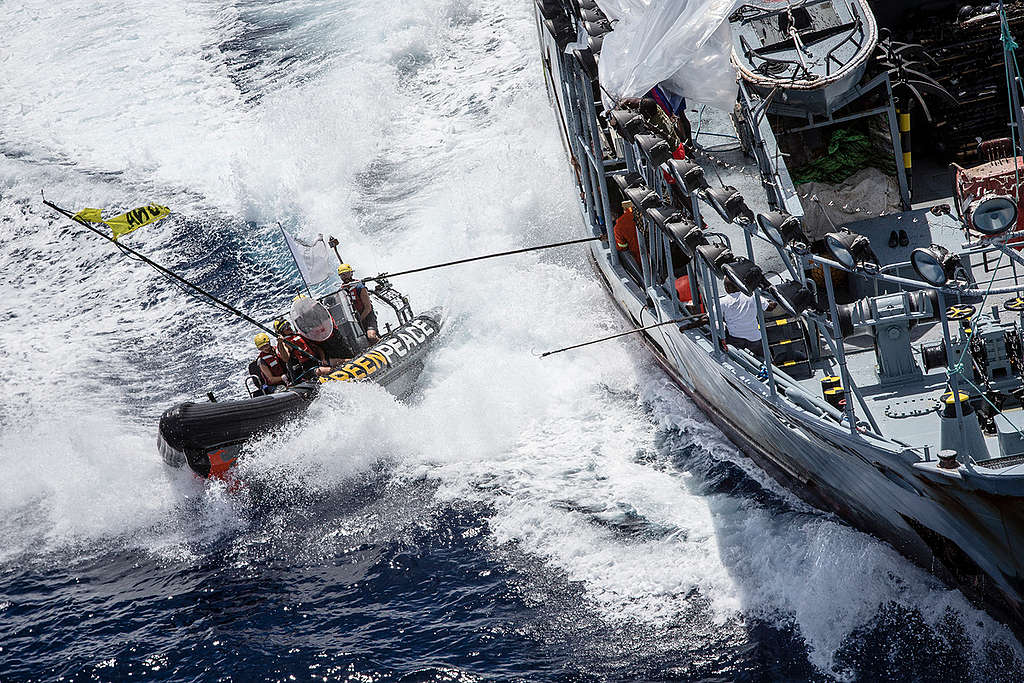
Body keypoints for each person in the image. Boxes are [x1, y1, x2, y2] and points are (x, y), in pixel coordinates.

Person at [719, 279, 774, 358]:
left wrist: (694, 325)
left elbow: (707, 318)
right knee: (767, 359)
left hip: (736, 339)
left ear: (726, 288)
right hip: (755, 338)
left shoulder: (722, 302)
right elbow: (769, 308)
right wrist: (777, 299)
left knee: (739, 360)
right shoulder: (752, 296)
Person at [338, 264, 379, 343]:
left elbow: (368, 307)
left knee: (371, 336)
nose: (345, 277)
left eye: (346, 273)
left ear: (351, 273)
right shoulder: (342, 290)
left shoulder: (359, 287)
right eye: (342, 275)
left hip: (367, 316)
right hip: (355, 319)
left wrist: (360, 320)